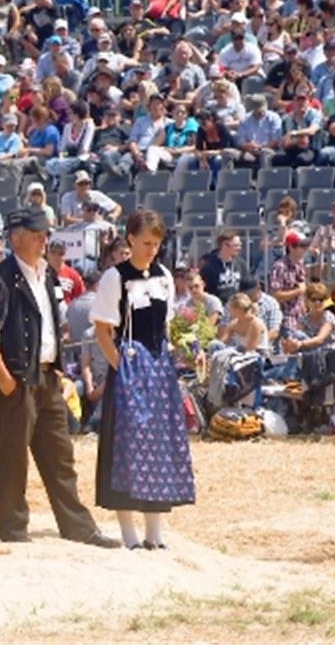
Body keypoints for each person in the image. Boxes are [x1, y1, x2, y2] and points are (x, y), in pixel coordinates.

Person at [0, 207, 119, 548]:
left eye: (45, 234)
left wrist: (55, 370)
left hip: (46, 376)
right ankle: (13, 530)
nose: (44, 240)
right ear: (16, 238)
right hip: (17, 379)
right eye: (36, 235)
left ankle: (78, 527)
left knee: (60, 455)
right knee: (13, 457)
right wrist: (5, 381)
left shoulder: (48, 275)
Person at [90, 210, 194, 550]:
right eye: (146, 242)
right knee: (128, 442)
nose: (151, 249)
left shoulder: (163, 276)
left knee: (159, 443)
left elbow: (169, 327)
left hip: (159, 365)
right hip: (131, 364)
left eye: (156, 243)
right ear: (130, 239)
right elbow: (102, 330)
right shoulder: (114, 278)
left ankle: (155, 532)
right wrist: (120, 366)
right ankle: (129, 534)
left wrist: (186, 349)